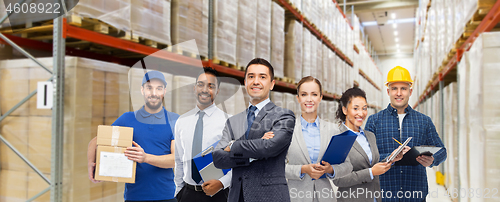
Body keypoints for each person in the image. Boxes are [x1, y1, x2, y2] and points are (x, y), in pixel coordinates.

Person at [87, 71, 179, 202]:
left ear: (164, 91)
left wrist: (146, 157)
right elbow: (95, 142)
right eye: (149, 88)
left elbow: (176, 159)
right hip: (134, 197)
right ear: (142, 90)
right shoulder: (127, 119)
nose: (154, 93)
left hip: (166, 197)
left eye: (159, 88)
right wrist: (92, 164)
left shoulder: (175, 121)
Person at [212, 58, 296, 202]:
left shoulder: (283, 116)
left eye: (262, 77)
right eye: (251, 77)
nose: (256, 81)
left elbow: (268, 147)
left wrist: (232, 146)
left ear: (272, 84)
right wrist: (254, 153)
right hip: (237, 197)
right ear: (245, 82)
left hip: (270, 197)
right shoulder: (233, 121)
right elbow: (218, 158)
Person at [365, 66, 447, 202]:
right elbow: (366, 156)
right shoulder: (374, 121)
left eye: (403, 88)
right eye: (394, 88)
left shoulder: (424, 121)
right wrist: (389, 157)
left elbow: (442, 151)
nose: (399, 93)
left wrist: (432, 160)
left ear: (410, 91)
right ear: (388, 91)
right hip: (385, 193)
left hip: (415, 193)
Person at [333, 87, 408, 202]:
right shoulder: (338, 138)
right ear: (345, 110)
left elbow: (372, 164)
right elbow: (338, 179)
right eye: (356, 108)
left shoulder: (370, 136)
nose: (361, 113)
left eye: (364, 108)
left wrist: (391, 158)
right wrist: (371, 172)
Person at [285, 76, 353, 202]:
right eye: (304, 94)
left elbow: (348, 166)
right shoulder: (288, 130)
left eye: (314, 94)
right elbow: (278, 167)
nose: (309, 99)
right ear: (298, 98)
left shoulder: (333, 130)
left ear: (320, 97)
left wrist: (330, 169)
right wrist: (302, 169)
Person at [174, 67, 232, 201]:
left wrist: (222, 183)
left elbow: (237, 163)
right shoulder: (181, 121)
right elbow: (179, 161)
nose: (205, 90)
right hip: (188, 194)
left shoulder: (228, 122)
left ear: (217, 91)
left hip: (218, 194)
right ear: (194, 88)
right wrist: (178, 192)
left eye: (211, 86)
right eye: (200, 84)